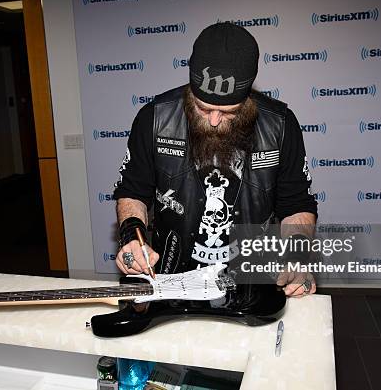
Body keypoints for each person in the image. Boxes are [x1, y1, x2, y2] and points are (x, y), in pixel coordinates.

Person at [112, 22, 318, 297]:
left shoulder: (280, 125)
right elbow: (133, 191)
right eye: (203, 107)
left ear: (247, 99)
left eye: (229, 112)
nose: (214, 120)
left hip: (253, 281)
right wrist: (131, 236)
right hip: (174, 280)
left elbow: (296, 204)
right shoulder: (154, 119)